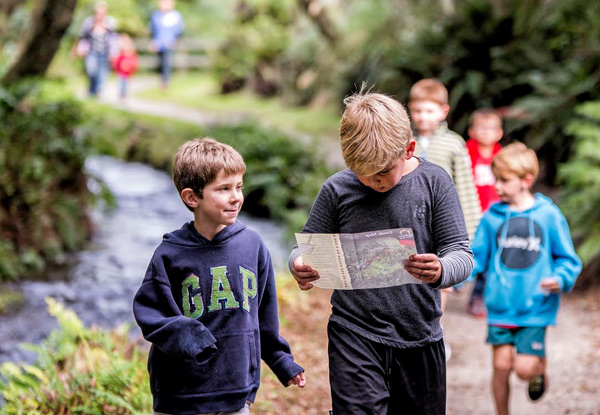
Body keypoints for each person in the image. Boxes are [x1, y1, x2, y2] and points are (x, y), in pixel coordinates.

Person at [289, 89, 474, 415]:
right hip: (354, 333)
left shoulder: (434, 183)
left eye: (382, 172)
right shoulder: (337, 189)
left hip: (420, 337)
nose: (374, 181)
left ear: (409, 149)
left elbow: (461, 252)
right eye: (363, 173)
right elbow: (305, 246)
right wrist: (299, 264)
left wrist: (442, 269)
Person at [133, 138, 306, 415]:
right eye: (224, 189)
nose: (236, 196)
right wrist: (193, 337)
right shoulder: (169, 255)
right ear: (192, 197)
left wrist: (281, 360)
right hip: (180, 398)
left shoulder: (253, 246)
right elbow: (152, 315)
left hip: (236, 393)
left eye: (239, 186)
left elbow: (264, 316)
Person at [471, 142, 581, 415]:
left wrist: (561, 278)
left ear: (526, 181)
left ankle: (538, 369)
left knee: (522, 370)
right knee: (501, 365)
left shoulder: (548, 215)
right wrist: (452, 277)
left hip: (534, 308)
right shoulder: (491, 218)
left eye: (504, 180)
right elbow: (476, 256)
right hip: (500, 306)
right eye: (496, 179)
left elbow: (568, 259)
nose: (497, 186)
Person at [408, 78, 481, 358]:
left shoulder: (454, 145)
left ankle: (434, 334)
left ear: (443, 111)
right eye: (417, 111)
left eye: (429, 111)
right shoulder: (403, 139)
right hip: (411, 225)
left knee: (442, 282)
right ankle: (414, 331)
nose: (422, 117)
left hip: (443, 225)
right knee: (414, 277)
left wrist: (470, 229)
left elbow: (465, 186)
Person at [465, 108, 504, 317]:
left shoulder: (502, 156)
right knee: (469, 250)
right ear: (472, 131)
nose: (486, 133)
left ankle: (478, 296)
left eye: (491, 129)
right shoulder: (467, 152)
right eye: (482, 128)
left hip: (494, 217)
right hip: (471, 213)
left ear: (499, 133)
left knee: (489, 257)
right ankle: (458, 276)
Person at [79, 1, 118, 97]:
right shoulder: (89, 22)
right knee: (91, 71)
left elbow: (114, 39)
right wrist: (81, 49)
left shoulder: (110, 23)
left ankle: (97, 92)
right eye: (98, 13)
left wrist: (114, 53)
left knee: (102, 73)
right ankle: (91, 90)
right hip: (91, 52)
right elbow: (83, 37)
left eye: (102, 13)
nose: (100, 15)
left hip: (105, 52)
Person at [149, 0, 184, 89]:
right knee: (160, 63)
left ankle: (165, 82)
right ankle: (162, 80)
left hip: (169, 44)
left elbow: (179, 30)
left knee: (166, 63)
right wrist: (153, 42)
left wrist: (174, 41)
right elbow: (153, 30)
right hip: (159, 44)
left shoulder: (175, 15)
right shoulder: (156, 15)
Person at [112, 33, 138, 100]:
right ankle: (122, 95)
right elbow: (116, 61)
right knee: (121, 82)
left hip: (127, 71)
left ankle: (123, 95)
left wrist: (132, 67)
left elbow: (134, 61)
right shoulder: (120, 52)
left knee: (125, 83)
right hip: (120, 71)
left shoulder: (131, 52)